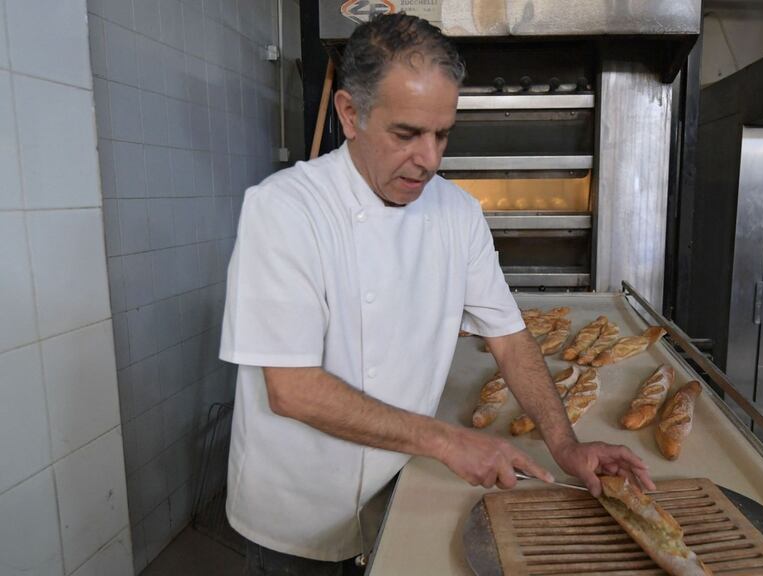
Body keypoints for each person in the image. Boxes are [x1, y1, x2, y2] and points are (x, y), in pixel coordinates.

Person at [219, 13, 654, 575]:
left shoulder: (458, 212)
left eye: (442, 134)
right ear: (350, 114)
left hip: (401, 485)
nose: (428, 159)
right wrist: (447, 442)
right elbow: (292, 390)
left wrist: (567, 446)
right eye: (406, 134)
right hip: (298, 510)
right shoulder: (284, 210)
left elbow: (509, 336)